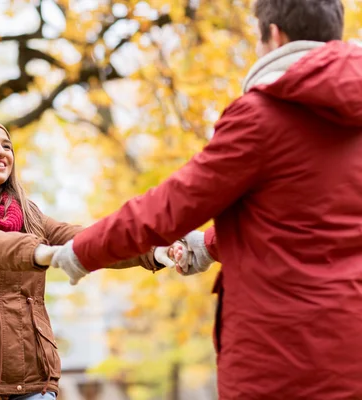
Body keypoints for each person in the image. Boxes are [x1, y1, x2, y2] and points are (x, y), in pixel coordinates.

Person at [50, 0, 362, 398]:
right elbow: (310, 220)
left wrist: (82, 250)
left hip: (284, 360)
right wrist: (209, 245)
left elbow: (169, 206)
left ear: (274, 35)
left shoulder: (263, 116)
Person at [0, 119, 173, 400]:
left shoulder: (31, 217)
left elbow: (87, 240)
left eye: (7, 146)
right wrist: (35, 252)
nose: (1, 152)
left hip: (33, 377)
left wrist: (151, 250)